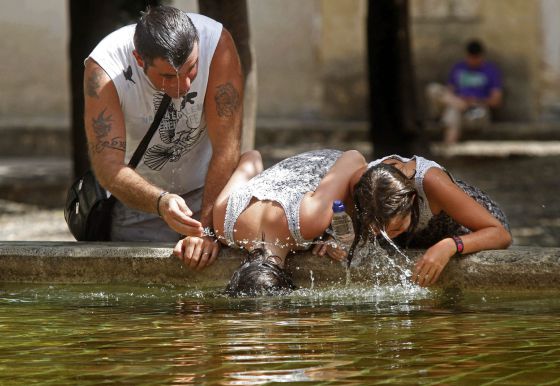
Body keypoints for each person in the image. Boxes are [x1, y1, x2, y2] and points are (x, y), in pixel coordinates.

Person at [173, 150, 512, 295]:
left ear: (412, 202)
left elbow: (500, 233)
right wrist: (332, 236)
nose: (386, 237)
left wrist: (448, 246)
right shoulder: (225, 223)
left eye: (395, 228)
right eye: (380, 230)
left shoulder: (429, 183)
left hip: (465, 228)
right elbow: (252, 159)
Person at [83, 5, 243, 267]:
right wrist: (160, 202)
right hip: (139, 204)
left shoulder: (216, 44)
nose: (184, 85)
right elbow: (107, 166)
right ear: (138, 59)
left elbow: (227, 148)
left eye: (192, 68)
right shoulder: (104, 67)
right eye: (168, 76)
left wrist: (205, 229)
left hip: (210, 193)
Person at [426, 39, 503, 144]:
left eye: (476, 58)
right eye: (471, 57)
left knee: (453, 112)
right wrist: (459, 101)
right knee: (433, 89)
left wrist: (475, 101)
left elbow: (496, 101)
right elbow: (448, 92)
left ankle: (448, 147)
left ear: (482, 56)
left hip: (477, 110)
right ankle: (450, 148)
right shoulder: (459, 68)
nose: (473, 61)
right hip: (456, 104)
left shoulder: (491, 71)